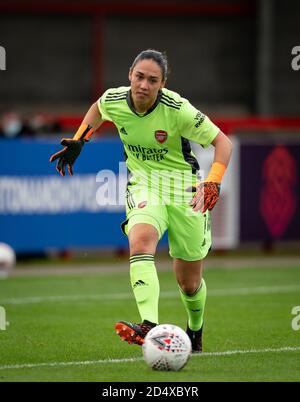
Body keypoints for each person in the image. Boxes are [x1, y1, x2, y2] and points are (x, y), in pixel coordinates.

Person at [50, 49, 232, 352]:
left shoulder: (179, 110)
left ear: (162, 84)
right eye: (139, 76)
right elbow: (97, 109)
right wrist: (80, 139)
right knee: (141, 240)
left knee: (188, 283)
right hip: (144, 185)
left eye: (152, 80)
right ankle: (148, 324)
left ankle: (195, 331)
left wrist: (213, 180)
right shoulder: (115, 100)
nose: (144, 85)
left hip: (184, 190)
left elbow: (222, 142)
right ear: (130, 75)